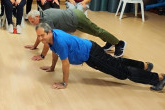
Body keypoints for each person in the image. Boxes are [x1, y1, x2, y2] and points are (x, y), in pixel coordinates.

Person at [34, 22, 165, 92]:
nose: (40, 39)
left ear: (49, 32)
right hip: (90, 48)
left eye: (42, 36)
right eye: (38, 36)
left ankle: (158, 79)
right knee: (115, 62)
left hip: (91, 54)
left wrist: (64, 83)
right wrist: (52, 67)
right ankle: (145, 66)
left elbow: (65, 63)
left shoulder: (59, 41)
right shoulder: (52, 37)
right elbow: (55, 52)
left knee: (121, 72)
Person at [25, 9, 126, 58]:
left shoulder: (46, 21)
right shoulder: (43, 13)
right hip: (74, 16)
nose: (32, 24)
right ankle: (110, 41)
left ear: (37, 17)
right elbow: (40, 36)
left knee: (96, 31)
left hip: (77, 18)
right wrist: (34, 46)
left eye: (32, 21)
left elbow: (47, 40)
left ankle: (118, 43)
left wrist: (42, 56)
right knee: (95, 32)